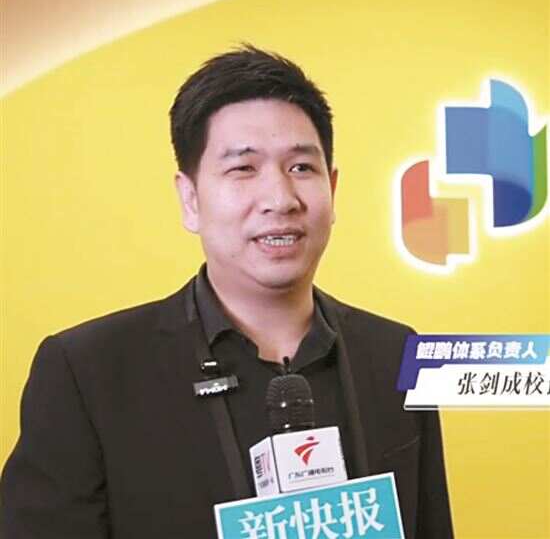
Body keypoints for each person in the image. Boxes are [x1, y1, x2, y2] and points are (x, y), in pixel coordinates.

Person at [1, 45, 453, 538]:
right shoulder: (88, 372)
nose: (280, 199)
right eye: (243, 168)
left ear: (333, 187)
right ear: (190, 198)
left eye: (301, 168)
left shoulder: (397, 354)